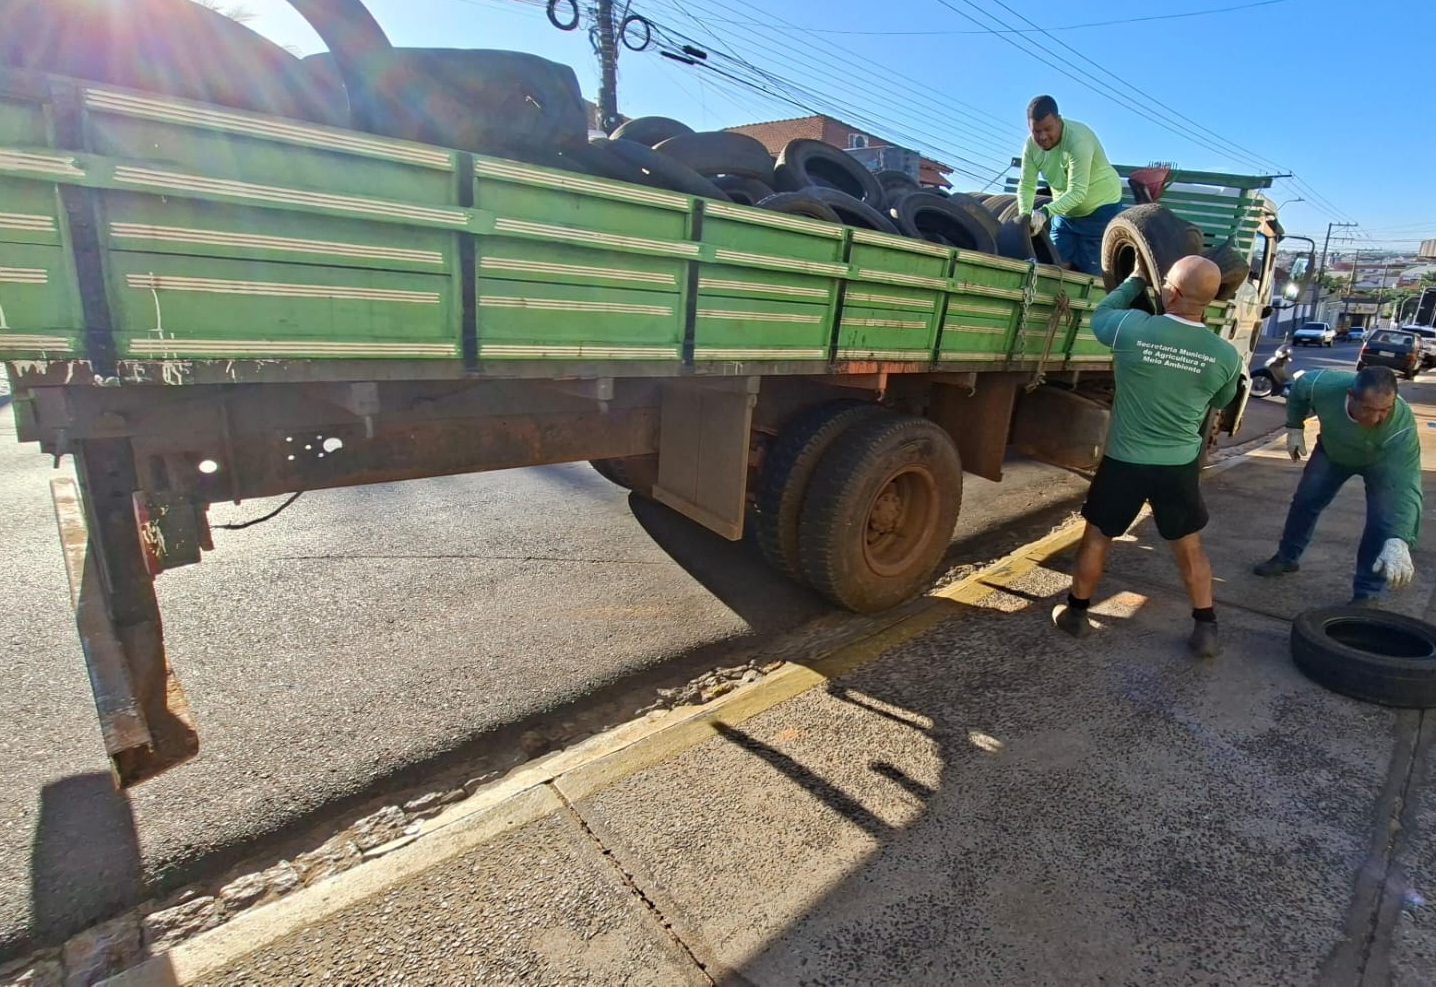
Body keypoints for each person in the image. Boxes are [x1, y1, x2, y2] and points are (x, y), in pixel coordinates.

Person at [1053, 256, 1242, 658]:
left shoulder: (1131, 328)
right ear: (1209, 301)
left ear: (1169, 291)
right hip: (1178, 466)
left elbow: (1102, 313)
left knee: (1098, 537)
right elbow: (1221, 399)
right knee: (1189, 546)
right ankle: (1206, 628)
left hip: (1125, 461)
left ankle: (1076, 614)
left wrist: (1137, 280)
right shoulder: (1225, 355)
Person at [1253, 367, 1420, 605]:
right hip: (1332, 452)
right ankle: (1287, 557)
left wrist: (1400, 537)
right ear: (1351, 395)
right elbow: (1299, 390)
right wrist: (1294, 426)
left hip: (1380, 462)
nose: (1375, 419)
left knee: (1382, 523)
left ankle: (1367, 593)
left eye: (1385, 410)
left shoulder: (1401, 426)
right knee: (1305, 500)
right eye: (1368, 409)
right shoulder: (1323, 385)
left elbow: (1407, 485)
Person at [1016, 95, 1124, 276]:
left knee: (1092, 275)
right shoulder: (1031, 146)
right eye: (1036, 131)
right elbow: (1026, 185)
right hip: (1065, 214)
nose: (1042, 136)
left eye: (1048, 129)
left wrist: (1045, 212)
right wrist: (1025, 216)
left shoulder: (1078, 140)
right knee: (1054, 265)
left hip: (1100, 211)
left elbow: (1077, 192)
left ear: (1059, 120)